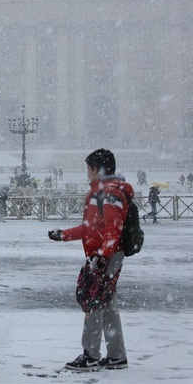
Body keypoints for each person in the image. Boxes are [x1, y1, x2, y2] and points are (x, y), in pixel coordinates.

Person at [48, 148, 132, 371]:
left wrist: (103, 258)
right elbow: (91, 228)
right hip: (105, 254)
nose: (87, 173)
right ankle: (116, 355)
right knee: (107, 302)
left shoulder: (109, 193)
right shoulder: (101, 192)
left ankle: (91, 355)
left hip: (106, 255)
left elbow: (113, 230)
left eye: (88, 168)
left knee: (93, 301)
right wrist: (63, 235)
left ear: (97, 169)